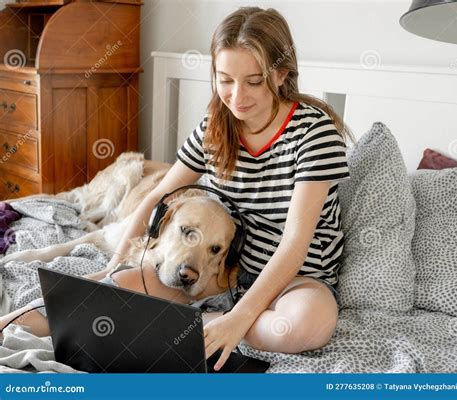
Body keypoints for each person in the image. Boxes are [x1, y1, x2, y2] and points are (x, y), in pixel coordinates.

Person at [0, 7, 352, 371]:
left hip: (297, 279)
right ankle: (27, 324)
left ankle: (189, 326)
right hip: (220, 275)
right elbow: (157, 196)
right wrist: (113, 268)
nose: (237, 96)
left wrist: (239, 317)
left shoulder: (314, 134)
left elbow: (295, 243)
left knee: (305, 325)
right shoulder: (214, 127)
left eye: (254, 80)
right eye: (225, 79)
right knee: (97, 297)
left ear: (280, 74)